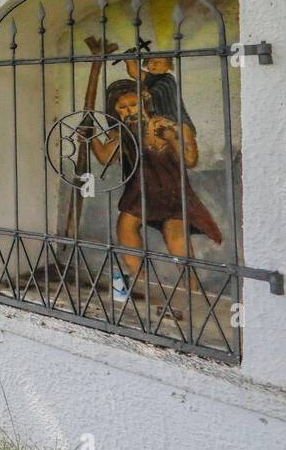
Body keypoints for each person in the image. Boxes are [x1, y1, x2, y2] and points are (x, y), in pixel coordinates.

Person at [88, 79, 221, 303]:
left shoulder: (169, 126)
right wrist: (89, 135)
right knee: (125, 226)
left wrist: (172, 140)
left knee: (175, 235)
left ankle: (192, 289)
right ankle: (140, 280)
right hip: (140, 190)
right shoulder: (122, 133)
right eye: (122, 108)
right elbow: (104, 157)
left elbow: (190, 160)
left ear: (144, 102)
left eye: (133, 104)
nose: (129, 111)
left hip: (171, 190)